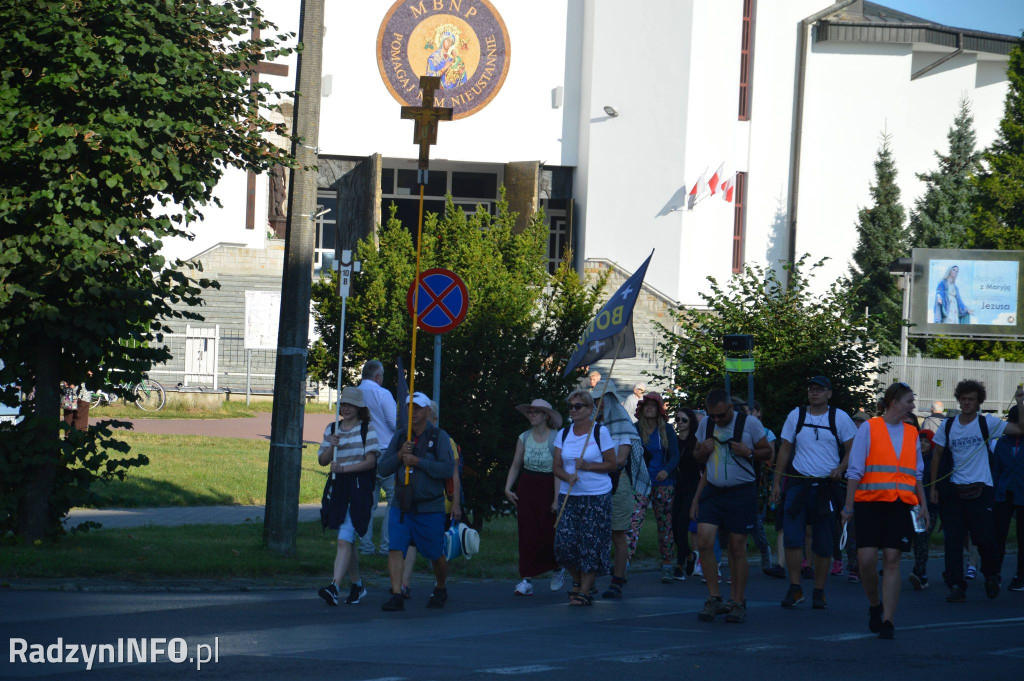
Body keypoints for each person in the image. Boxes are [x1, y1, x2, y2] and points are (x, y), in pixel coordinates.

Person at [841, 382, 929, 639]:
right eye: (909, 401)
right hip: (869, 503)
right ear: (894, 402)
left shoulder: (912, 432)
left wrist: (922, 504)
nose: (913, 406)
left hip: (900, 505)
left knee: (892, 560)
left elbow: (918, 474)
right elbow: (855, 470)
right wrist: (848, 507)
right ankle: (874, 606)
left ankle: (888, 620)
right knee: (866, 562)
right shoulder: (869, 428)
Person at [929, 379, 1024, 602]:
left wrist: (1020, 403)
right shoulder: (948, 425)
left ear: (979, 401)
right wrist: (934, 487)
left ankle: (991, 574)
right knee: (952, 541)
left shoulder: (987, 423)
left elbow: (1020, 429)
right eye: (963, 399)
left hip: (982, 490)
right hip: (954, 490)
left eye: (971, 399)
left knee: (985, 539)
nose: (966, 403)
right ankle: (956, 585)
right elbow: (937, 456)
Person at [771, 376, 857, 610]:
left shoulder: (839, 417)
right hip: (798, 484)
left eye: (820, 390)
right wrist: (777, 483)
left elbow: (853, 449)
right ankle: (795, 587)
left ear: (829, 393)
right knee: (792, 538)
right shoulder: (796, 415)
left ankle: (819, 590)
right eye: (811, 389)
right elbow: (785, 449)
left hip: (826, 488)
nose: (815, 393)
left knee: (823, 543)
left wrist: (840, 468)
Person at [691, 389, 772, 623]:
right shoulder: (705, 424)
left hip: (741, 492)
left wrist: (749, 452)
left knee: (737, 547)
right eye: (712, 416)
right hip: (714, 491)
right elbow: (697, 456)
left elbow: (767, 452)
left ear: (730, 409)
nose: (716, 420)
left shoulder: (750, 424)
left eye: (720, 416)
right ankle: (714, 597)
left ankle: (737, 601)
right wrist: (702, 451)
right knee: (704, 542)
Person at [377, 392, 454, 611]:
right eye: (409, 408)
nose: (413, 412)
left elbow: (448, 469)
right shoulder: (401, 436)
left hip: (430, 507)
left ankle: (440, 586)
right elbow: (383, 468)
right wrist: (400, 456)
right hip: (402, 506)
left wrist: (419, 462)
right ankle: (396, 594)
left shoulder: (439, 437)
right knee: (395, 548)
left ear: (428, 411)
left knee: (434, 554)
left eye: (418, 408)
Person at [552, 388, 617, 606]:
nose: (573, 410)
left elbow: (612, 463)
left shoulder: (600, 432)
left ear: (590, 409)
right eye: (570, 406)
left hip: (596, 495)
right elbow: (557, 466)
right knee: (564, 544)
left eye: (578, 406)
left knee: (590, 542)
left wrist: (588, 466)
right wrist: (567, 476)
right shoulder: (563, 433)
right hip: (569, 496)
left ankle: (585, 590)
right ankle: (580, 581)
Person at [317, 387, 380, 607]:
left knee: (344, 539)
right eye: (343, 404)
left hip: (359, 487)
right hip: (338, 487)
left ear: (359, 408)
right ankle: (357, 585)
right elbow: (323, 461)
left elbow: (371, 462)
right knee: (348, 540)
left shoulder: (367, 430)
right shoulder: (332, 429)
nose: (345, 408)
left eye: (350, 405)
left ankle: (334, 586)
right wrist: (331, 446)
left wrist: (345, 468)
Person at [594, 382, 648, 598]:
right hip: (594, 483)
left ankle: (617, 578)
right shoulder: (590, 428)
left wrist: (593, 463)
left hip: (617, 482)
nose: (596, 406)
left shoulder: (622, 427)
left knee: (618, 533)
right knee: (595, 533)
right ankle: (591, 579)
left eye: (599, 402)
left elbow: (620, 459)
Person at [505, 398, 564, 596]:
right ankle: (526, 579)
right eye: (529, 412)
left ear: (546, 416)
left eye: (535, 412)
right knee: (527, 532)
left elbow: (558, 470)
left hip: (548, 486)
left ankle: (557, 568)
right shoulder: (524, 437)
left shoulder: (556, 438)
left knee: (549, 532)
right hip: (528, 486)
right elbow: (516, 464)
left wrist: (556, 499)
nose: (531, 415)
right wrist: (508, 488)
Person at [634, 392, 680, 583]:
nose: (650, 408)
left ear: (659, 409)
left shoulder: (666, 430)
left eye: (654, 405)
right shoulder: (636, 429)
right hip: (641, 481)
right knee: (633, 522)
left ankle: (668, 564)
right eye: (647, 405)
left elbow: (676, 455)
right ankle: (624, 564)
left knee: (665, 524)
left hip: (663, 483)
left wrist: (667, 470)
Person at [356, 360, 398, 556]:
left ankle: (365, 546)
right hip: (385, 452)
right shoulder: (383, 393)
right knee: (393, 498)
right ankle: (386, 546)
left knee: (367, 501)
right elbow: (393, 423)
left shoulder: (355, 393)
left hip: (363, 452)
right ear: (378, 376)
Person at [992, 404, 1024, 592]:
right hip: (1003, 493)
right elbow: (996, 469)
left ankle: (1020, 576)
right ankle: (994, 573)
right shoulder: (1002, 442)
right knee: (998, 535)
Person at [671, 407, 701, 580]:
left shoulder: (696, 441)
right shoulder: (674, 441)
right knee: (674, 526)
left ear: (691, 422)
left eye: (683, 420)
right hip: (678, 486)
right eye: (677, 419)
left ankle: (679, 565)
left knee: (682, 525)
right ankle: (690, 555)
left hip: (693, 486)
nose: (679, 423)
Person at [909, 427, 940, 590]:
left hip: (930, 507)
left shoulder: (935, 462)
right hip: (912, 505)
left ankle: (921, 573)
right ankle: (917, 570)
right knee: (914, 539)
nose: (922, 444)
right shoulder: (911, 459)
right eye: (920, 440)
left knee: (922, 538)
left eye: (926, 441)